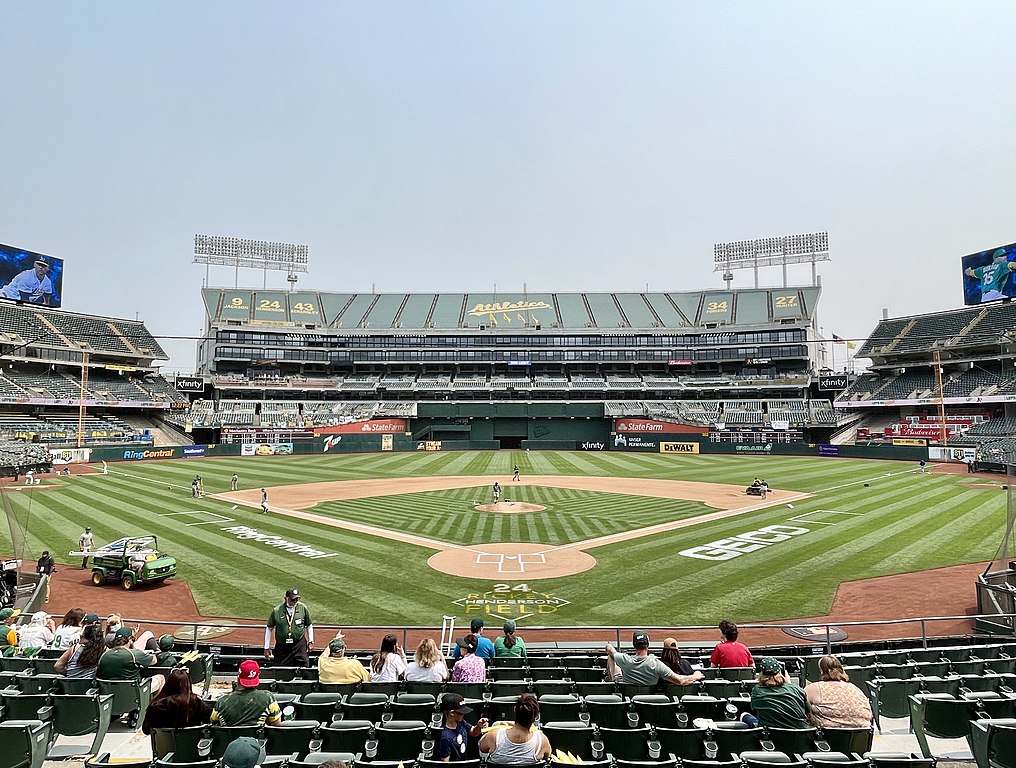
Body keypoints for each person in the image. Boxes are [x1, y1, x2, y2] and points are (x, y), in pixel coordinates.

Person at [605, 631, 704, 686]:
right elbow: (680, 681)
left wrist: (609, 646)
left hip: (627, 692)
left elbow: (610, 650)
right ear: (648, 645)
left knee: (612, 657)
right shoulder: (656, 664)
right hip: (649, 698)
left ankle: (610, 680)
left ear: (634, 645)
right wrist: (696, 676)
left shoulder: (624, 659)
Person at [478, 693, 552, 764]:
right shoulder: (542, 741)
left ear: (515, 711)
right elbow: (547, 755)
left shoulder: (493, 736)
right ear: (535, 717)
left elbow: (482, 748)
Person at [804, 655, 874, 728]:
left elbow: (799, 705)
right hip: (862, 735)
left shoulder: (813, 688)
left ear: (821, 671)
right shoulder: (855, 688)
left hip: (830, 735)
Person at [743, 657, 810, 729]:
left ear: (761, 674)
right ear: (780, 672)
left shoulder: (756, 691)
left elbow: (754, 709)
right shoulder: (797, 689)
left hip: (772, 736)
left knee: (745, 715)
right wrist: (790, 685)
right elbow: (808, 710)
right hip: (801, 736)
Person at [142, 667, 213, 734]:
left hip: (164, 745)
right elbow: (211, 719)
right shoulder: (196, 702)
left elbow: (146, 730)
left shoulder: (156, 706)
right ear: (188, 685)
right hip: (192, 744)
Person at [211, 660, 282, 726]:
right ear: (258, 676)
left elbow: (214, 726)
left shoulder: (221, 703)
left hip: (228, 739)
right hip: (257, 739)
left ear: (238, 677)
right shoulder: (268, 698)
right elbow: (276, 726)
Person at [97, 626, 165, 695]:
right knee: (161, 678)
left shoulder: (104, 655)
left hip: (110, 695)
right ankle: (154, 705)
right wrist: (135, 648)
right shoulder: (134, 654)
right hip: (134, 693)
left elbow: (99, 676)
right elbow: (154, 660)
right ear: (129, 639)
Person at [264, 587, 314, 666]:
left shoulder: (302, 608)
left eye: (296, 599)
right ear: (286, 599)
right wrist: (266, 647)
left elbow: (309, 624)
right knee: (280, 670)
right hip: (282, 646)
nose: (295, 602)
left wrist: (311, 641)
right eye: (292, 599)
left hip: (299, 645)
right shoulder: (277, 611)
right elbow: (269, 628)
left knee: (305, 667)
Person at [438, 692, 488, 762]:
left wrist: (479, 726)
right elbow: (445, 762)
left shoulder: (461, 722)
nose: (463, 714)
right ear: (452, 713)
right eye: (461, 712)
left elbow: (474, 732)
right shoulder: (446, 737)